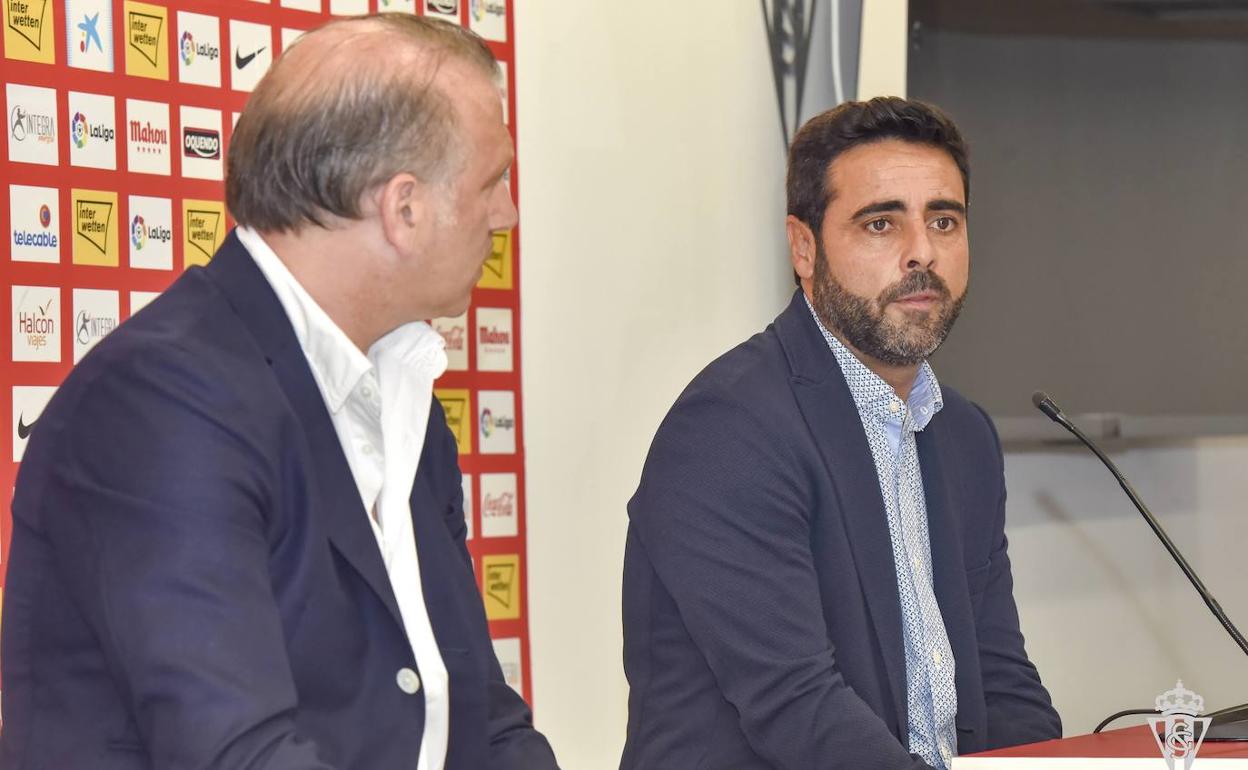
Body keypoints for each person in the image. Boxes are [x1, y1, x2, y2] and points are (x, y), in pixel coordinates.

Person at [0, 15, 560, 770]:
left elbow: (483, 722)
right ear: (404, 209)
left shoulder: (403, 397)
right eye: (493, 182)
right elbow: (239, 753)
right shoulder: (162, 403)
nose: (507, 214)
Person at [620, 98, 1061, 770]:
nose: (922, 253)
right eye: (881, 223)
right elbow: (797, 706)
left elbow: (1001, 678)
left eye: (944, 220)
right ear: (805, 247)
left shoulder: (963, 434)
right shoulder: (729, 429)